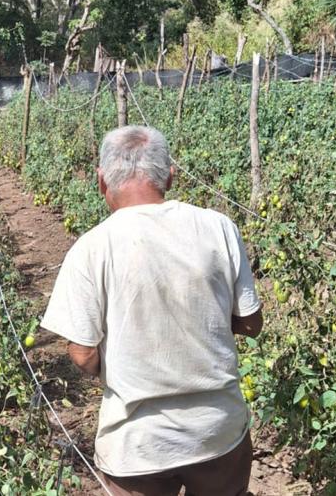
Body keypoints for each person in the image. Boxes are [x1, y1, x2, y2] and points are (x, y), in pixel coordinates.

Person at [41, 125, 263, 496]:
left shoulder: (91, 248)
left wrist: (123, 361)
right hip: (217, 432)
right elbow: (251, 323)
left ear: (101, 181)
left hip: (137, 445)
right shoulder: (218, 227)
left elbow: (82, 353)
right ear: (170, 176)